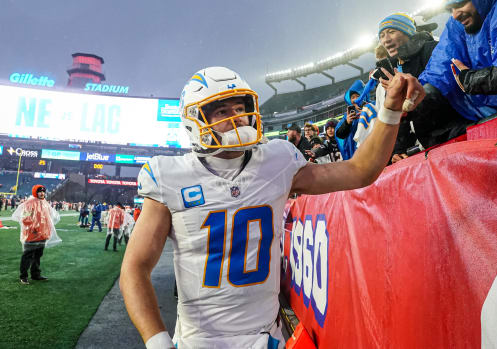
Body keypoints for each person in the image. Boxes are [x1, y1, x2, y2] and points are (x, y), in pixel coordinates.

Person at [119, 66, 424, 348]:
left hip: (266, 337)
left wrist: (390, 109)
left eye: (240, 109)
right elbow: (135, 267)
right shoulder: (171, 176)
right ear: (195, 120)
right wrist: (157, 341)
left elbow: (360, 171)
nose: (236, 118)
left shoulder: (276, 161)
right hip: (201, 340)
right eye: (222, 111)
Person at [376, 12, 470, 163]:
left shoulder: (431, 50)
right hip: (432, 145)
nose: (385, 39)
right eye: (381, 35)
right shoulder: (396, 68)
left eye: (391, 32)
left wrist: (408, 96)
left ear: (407, 31)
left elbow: (443, 90)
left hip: (459, 134)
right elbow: (399, 115)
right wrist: (398, 150)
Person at [13, 185, 61, 285]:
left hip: (42, 235)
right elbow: (25, 219)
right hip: (31, 234)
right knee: (27, 256)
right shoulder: (29, 203)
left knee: (38, 256)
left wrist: (46, 230)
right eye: (39, 191)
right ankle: (23, 276)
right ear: (35, 192)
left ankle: (35, 274)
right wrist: (34, 229)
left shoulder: (45, 203)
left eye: (43, 191)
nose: (42, 193)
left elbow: (49, 218)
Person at [335, 80, 366, 160]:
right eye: (352, 97)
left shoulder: (373, 106)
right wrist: (347, 123)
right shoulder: (347, 116)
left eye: (358, 96)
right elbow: (339, 134)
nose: (356, 99)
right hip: (357, 156)